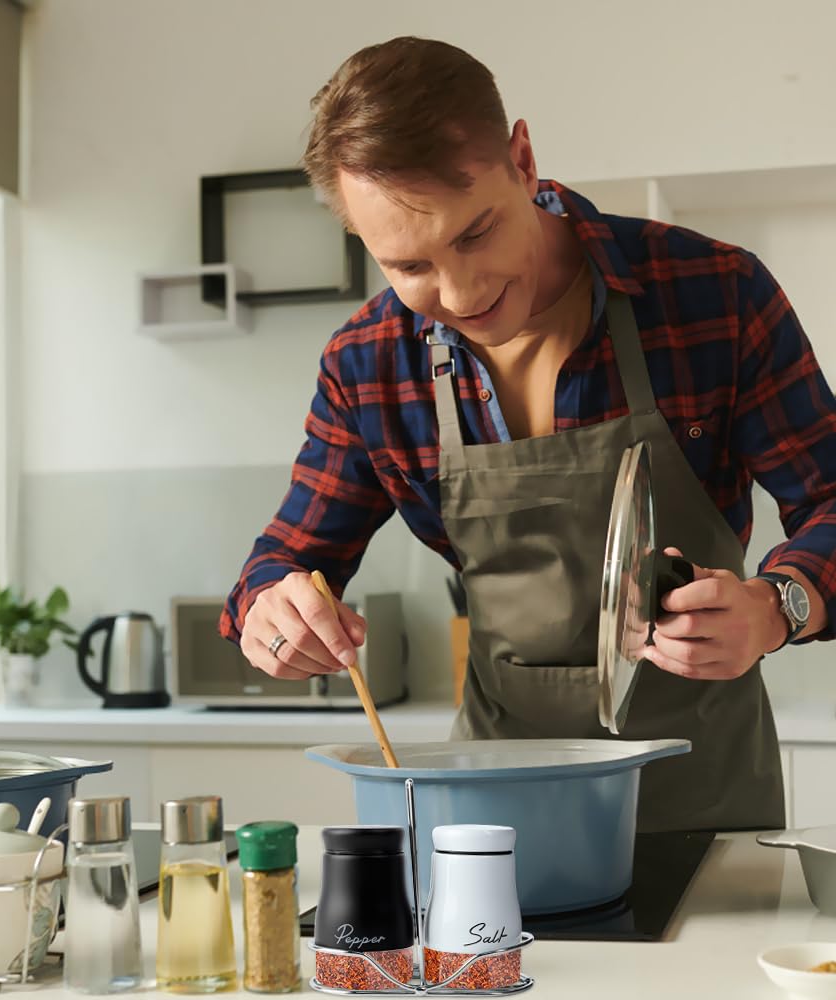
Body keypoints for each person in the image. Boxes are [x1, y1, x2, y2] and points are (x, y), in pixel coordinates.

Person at [219, 36, 836, 832]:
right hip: (496, 815)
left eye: (475, 233)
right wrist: (274, 613)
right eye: (409, 267)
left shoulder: (714, 292)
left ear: (523, 160)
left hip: (704, 795)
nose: (459, 293)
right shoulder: (368, 363)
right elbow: (285, 562)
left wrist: (779, 605)